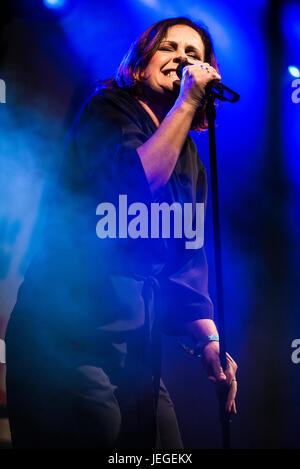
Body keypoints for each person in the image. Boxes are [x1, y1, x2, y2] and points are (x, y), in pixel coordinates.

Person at [5, 17, 237, 449]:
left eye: (194, 55)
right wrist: (187, 103)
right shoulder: (107, 109)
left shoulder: (189, 160)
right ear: (142, 60)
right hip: (69, 342)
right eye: (170, 48)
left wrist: (210, 342)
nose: (183, 60)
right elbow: (133, 184)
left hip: (138, 354)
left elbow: (186, 264)